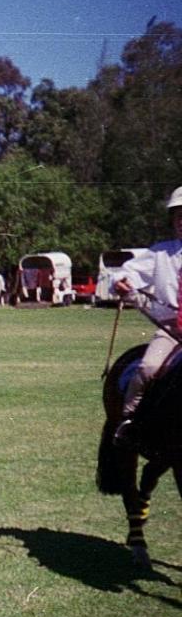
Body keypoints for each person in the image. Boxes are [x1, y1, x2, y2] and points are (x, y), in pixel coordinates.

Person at [110, 186, 182, 448]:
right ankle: (129, 420)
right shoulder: (160, 253)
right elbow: (126, 272)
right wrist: (121, 283)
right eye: (178, 216)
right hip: (172, 330)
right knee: (147, 367)